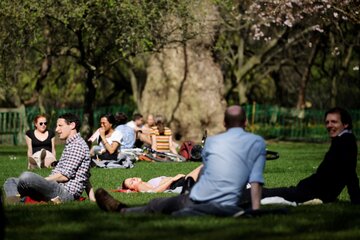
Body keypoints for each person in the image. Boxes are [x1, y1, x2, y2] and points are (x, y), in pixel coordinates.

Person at [95, 105, 267, 217]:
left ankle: (123, 210)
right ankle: (124, 209)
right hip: (230, 202)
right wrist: (256, 210)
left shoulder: (213, 142)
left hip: (198, 198)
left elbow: (206, 173)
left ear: (224, 122)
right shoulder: (257, 142)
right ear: (245, 122)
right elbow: (256, 179)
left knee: (158, 204)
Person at [245, 107, 360, 205]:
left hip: (314, 192)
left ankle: (243, 192)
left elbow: (349, 172)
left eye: (334, 122)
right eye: (327, 122)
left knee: (273, 193)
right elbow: (348, 171)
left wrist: (355, 198)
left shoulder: (345, 142)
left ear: (345, 124)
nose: (329, 125)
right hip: (312, 189)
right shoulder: (343, 140)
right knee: (280, 192)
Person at [3, 113, 92, 203]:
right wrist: (92, 197)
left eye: (60, 125)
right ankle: (20, 200)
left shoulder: (77, 145)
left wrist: (42, 181)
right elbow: (85, 176)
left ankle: (21, 200)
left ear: (72, 125)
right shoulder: (72, 144)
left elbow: (64, 176)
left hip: (64, 193)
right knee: (11, 181)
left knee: (26, 177)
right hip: (55, 187)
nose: (57, 129)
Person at [121, 165, 203, 193]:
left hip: (180, 181)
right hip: (178, 183)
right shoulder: (140, 186)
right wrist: (173, 179)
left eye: (132, 178)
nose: (134, 179)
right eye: (131, 182)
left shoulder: (148, 182)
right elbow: (154, 192)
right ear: (133, 189)